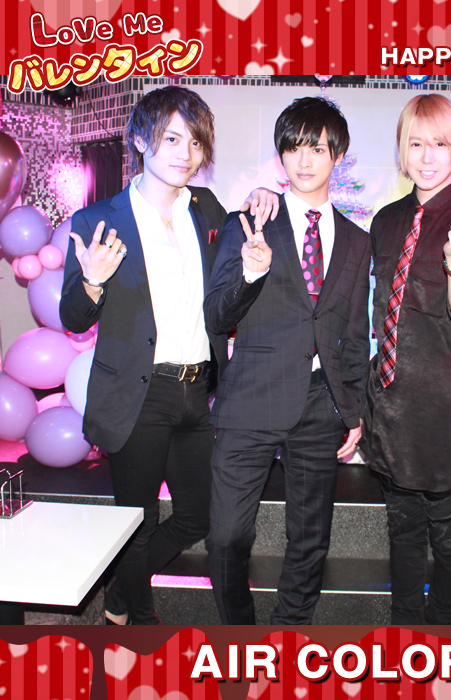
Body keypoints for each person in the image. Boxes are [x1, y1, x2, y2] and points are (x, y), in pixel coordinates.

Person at [60, 85, 229, 625]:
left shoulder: (207, 209)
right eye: (172, 139)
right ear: (139, 140)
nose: (186, 153)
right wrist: (91, 282)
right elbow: (72, 318)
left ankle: (118, 591)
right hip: (138, 393)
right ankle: (141, 622)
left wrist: (264, 199)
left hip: (196, 391)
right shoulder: (97, 221)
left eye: (195, 142)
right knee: (136, 520)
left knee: (197, 517)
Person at [204, 96, 371, 625]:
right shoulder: (249, 223)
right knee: (226, 536)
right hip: (251, 398)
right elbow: (216, 314)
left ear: (337, 155)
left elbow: (354, 332)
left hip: (321, 404)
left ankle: (289, 634)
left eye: (317, 149)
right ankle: (240, 634)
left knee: (311, 537)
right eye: (294, 147)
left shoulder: (357, 240)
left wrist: (354, 410)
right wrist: (250, 274)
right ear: (281, 155)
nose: (305, 160)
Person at [361, 94, 451, 624]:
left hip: (448, 407)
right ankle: (404, 628)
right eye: (416, 143)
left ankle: (444, 631)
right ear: (402, 149)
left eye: (440, 144)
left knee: (448, 535)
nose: (427, 157)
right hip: (392, 403)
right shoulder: (387, 220)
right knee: (401, 529)